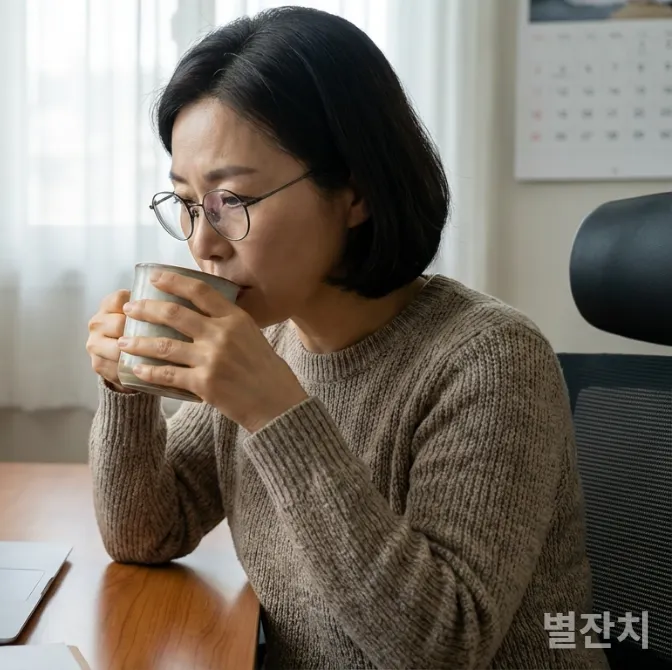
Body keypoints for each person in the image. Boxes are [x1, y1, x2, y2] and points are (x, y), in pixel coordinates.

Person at [83, 8, 606, 669]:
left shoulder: (489, 359)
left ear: (353, 193)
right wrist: (126, 387)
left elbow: (442, 646)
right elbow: (145, 533)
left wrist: (276, 412)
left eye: (232, 202)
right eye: (187, 202)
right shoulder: (272, 343)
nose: (202, 243)